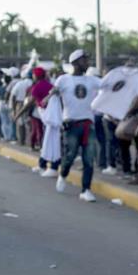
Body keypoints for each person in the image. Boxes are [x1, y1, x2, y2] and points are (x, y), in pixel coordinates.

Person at [51, 50, 102, 202]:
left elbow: (107, 86)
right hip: (71, 125)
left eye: (87, 60)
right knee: (70, 156)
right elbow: (53, 97)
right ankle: (63, 174)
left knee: (89, 158)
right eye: (84, 60)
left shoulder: (92, 80)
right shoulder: (63, 80)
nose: (87, 63)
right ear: (74, 63)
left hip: (88, 124)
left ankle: (86, 190)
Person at [93, 59, 138, 176]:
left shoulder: (135, 78)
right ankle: (118, 166)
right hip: (113, 118)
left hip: (121, 118)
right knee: (116, 144)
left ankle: (120, 167)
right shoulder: (117, 76)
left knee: (120, 145)